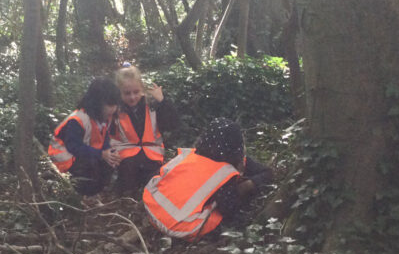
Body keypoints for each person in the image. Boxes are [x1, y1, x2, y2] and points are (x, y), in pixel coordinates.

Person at [143, 118, 273, 241]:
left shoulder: (189, 155)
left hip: (153, 210)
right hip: (182, 227)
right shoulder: (223, 172)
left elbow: (266, 172)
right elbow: (229, 209)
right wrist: (245, 188)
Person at [110, 64, 180, 195]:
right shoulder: (115, 109)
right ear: (119, 92)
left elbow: (173, 124)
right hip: (127, 160)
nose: (132, 97)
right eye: (127, 93)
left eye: (136, 92)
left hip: (151, 157)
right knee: (126, 190)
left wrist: (163, 101)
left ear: (142, 89)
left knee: (156, 189)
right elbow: (105, 135)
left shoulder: (153, 105)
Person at [48, 77, 122, 196]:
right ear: (97, 102)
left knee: (110, 162)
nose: (113, 109)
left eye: (115, 104)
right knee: (90, 166)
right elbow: (74, 147)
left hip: (86, 153)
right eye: (109, 104)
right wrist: (101, 154)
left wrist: (109, 153)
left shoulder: (104, 118)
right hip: (65, 159)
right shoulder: (78, 120)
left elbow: (104, 139)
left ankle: (100, 190)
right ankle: (85, 194)